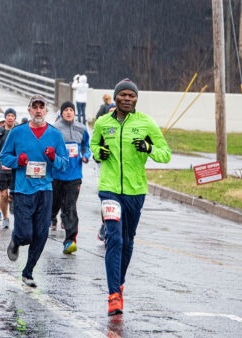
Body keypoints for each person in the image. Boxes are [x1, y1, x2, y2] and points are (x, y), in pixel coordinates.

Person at [89, 79, 171, 316]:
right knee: (113, 238)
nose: (127, 99)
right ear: (115, 98)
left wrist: (148, 148)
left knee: (127, 241)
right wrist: (99, 152)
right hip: (109, 189)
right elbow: (94, 145)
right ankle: (113, 295)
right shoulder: (103, 122)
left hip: (135, 191)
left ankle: (119, 282)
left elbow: (165, 154)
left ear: (136, 99)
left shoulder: (146, 123)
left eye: (131, 96)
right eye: (122, 95)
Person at [1, 95, 68, 288]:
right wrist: (17, 162)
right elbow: (4, 157)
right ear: (29, 110)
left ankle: (28, 272)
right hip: (23, 190)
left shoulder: (55, 135)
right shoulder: (17, 132)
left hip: (45, 190)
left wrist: (54, 158)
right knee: (25, 234)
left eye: (42, 107)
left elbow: (64, 164)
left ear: (46, 111)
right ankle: (16, 240)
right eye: (34, 107)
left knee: (41, 234)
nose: (38, 110)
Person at [51, 101, 91, 253]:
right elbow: (48, 148)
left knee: (70, 207)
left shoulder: (81, 128)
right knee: (52, 207)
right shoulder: (54, 129)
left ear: (74, 112)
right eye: (65, 110)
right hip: (56, 175)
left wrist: (86, 155)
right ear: (61, 113)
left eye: (71, 110)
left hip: (74, 175)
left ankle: (70, 241)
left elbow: (86, 146)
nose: (68, 112)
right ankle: (49, 221)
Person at [0, 109, 16, 228]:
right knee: (3, 194)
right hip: (2, 166)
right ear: (5, 118)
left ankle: (12, 201)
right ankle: (5, 217)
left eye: (12, 116)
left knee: (14, 194)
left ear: (15, 118)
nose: (10, 117)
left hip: (15, 167)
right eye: (8, 115)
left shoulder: (18, 131)